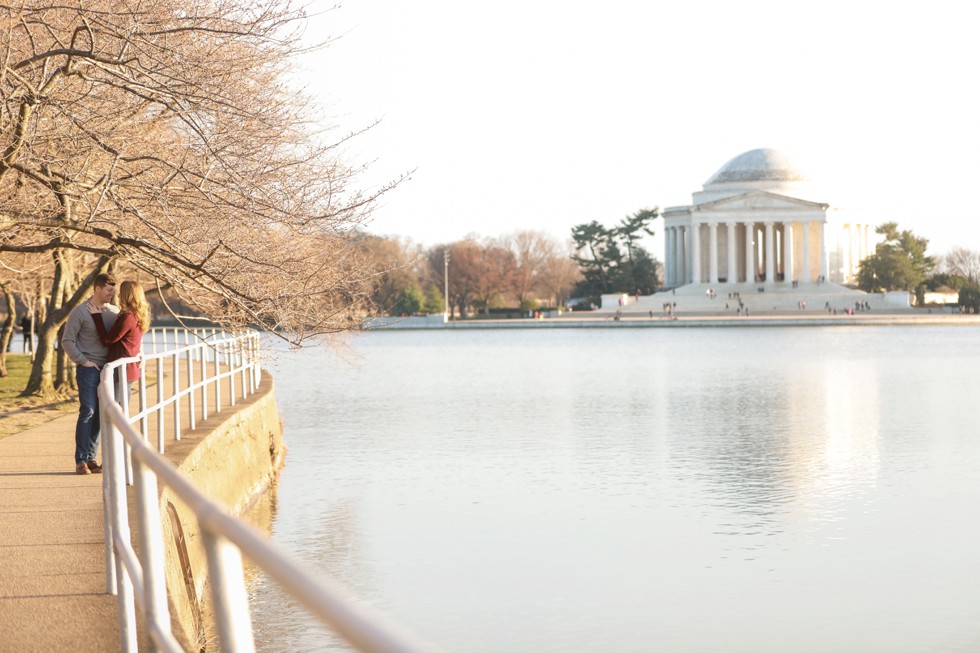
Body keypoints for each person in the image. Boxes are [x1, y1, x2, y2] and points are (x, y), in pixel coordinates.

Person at [62, 273, 119, 475]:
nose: (112, 293)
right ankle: (81, 460)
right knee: (88, 411)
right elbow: (67, 341)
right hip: (88, 369)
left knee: (100, 415)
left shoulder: (114, 311)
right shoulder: (80, 312)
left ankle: (92, 459)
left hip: (109, 370)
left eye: (114, 289)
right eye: (108, 289)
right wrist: (83, 361)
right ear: (97, 289)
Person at [90, 280, 150, 390]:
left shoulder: (128, 318)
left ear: (127, 296)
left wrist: (97, 316)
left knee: (117, 405)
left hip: (122, 369)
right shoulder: (137, 316)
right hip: (127, 368)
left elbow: (107, 340)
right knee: (121, 405)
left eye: (121, 293)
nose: (118, 295)